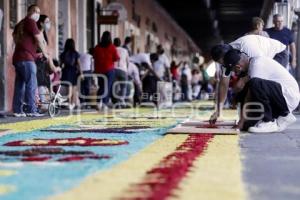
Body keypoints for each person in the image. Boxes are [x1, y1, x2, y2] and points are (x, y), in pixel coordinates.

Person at [209, 35, 286, 123]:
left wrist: (243, 80)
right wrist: (219, 110)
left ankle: (274, 117)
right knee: (244, 86)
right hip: (254, 62)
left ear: (227, 55)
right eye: (221, 64)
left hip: (277, 54)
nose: (224, 66)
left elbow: (261, 67)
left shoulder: (248, 48)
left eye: (224, 63)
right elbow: (224, 85)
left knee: (260, 84)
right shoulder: (226, 61)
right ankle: (254, 115)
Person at [223, 49, 299, 132]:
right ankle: (284, 116)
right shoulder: (251, 66)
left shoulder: (257, 65)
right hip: (279, 98)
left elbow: (250, 96)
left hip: (289, 97)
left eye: (234, 70)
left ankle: (268, 121)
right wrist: (243, 122)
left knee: (254, 83)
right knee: (247, 125)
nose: (235, 73)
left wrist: (241, 122)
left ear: (238, 67)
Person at [12, 4, 48, 117]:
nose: (37, 14)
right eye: (36, 11)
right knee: (31, 84)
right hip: (26, 59)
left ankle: (17, 110)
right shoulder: (30, 22)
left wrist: (37, 55)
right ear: (30, 11)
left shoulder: (19, 24)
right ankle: (32, 109)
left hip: (19, 58)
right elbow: (38, 39)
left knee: (20, 85)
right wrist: (45, 53)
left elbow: (23, 43)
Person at [36, 15, 60, 111]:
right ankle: (43, 103)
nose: (49, 24)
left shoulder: (42, 34)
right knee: (41, 81)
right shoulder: (37, 34)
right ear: (41, 23)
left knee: (45, 82)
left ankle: (46, 102)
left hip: (43, 62)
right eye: (47, 21)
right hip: (38, 61)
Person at [93, 31, 119, 110]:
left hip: (99, 70)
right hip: (109, 70)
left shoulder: (97, 47)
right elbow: (116, 58)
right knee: (107, 87)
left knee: (101, 86)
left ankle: (98, 102)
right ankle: (104, 103)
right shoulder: (112, 47)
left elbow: (94, 57)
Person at [60, 38, 82, 110]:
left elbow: (61, 64)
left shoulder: (63, 54)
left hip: (65, 71)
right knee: (73, 88)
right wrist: (81, 73)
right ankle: (71, 103)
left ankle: (69, 103)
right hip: (73, 72)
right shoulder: (75, 53)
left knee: (68, 89)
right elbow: (78, 64)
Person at [113, 37, 129, 106]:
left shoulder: (112, 49)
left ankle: (115, 100)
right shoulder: (125, 50)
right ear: (120, 43)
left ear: (113, 43)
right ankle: (122, 100)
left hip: (114, 69)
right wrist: (126, 70)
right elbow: (128, 62)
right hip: (123, 70)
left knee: (115, 85)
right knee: (124, 86)